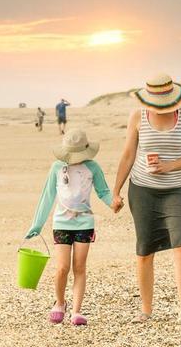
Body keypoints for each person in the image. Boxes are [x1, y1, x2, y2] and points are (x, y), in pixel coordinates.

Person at [111, 74, 181, 323]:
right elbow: (128, 155)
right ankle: (146, 311)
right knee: (145, 251)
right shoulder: (138, 116)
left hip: (176, 189)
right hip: (142, 189)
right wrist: (116, 191)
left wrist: (169, 166)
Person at [25, 129, 121, 326]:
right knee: (62, 268)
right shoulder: (56, 168)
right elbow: (48, 196)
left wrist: (114, 203)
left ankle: (76, 311)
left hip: (84, 222)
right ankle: (60, 303)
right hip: (61, 223)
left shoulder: (92, 167)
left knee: (79, 267)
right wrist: (37, 224)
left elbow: (103, 192)